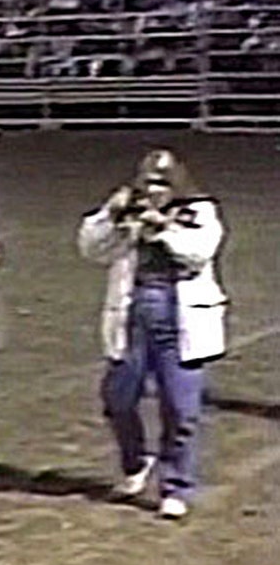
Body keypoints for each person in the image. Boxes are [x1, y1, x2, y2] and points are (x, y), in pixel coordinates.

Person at [78, 148, 228, 520]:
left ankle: (176, 485)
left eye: (162, 183)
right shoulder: (127, 210)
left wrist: (161, 229)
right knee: (118, 398)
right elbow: (90, 249)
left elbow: (198, 252)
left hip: (181, 321)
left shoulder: (199, 213)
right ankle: (135, 462)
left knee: (181, 409)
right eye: (148, 183)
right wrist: (113, 217)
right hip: (133, 316)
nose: (154, 190)